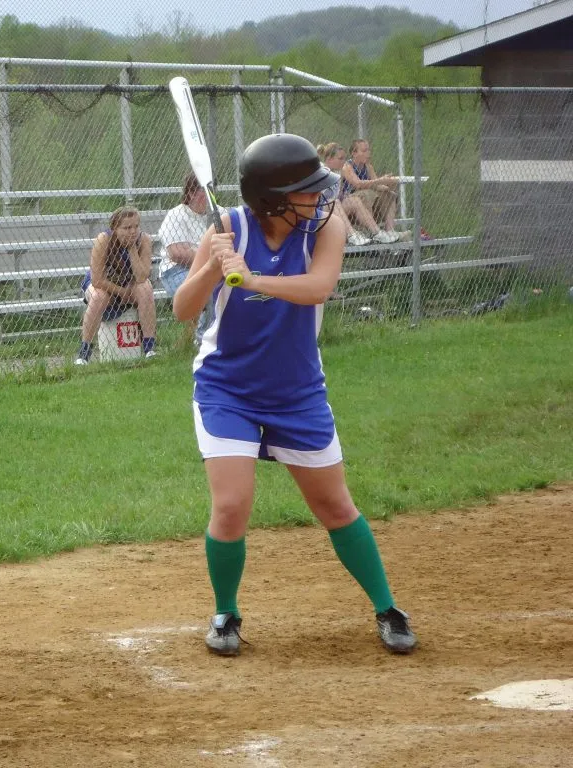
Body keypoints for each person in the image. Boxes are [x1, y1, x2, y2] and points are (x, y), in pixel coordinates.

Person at [172, 133, 417, 658]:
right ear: (274, 198)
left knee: (334, 504)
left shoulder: (327, 225)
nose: (321, 198)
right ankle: (226, 613)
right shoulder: (229, 229)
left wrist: (253, 279)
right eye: (308, 191)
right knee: (232, 505)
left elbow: (319, 286)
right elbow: (182, 309)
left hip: (296, 391)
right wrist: (214, 267)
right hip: (227, 387)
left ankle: (386, 605)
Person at [75, 205, 157, 364]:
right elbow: (97, 279)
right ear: (115, 228)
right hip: (104, 285)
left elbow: (141, 277)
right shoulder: (104, 239)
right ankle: (84, 354)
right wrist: (120, 292)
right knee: (99, 296)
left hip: (129, 284)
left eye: (136, 226)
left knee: (146, 288)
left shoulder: (144, 240)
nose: (133, 231)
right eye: (127, 228)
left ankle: (149, 348)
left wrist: (132, 249)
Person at [157, 172, 223, 345]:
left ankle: (224, 336)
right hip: (176, 271)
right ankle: (203, 340)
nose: (207, 194)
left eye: (210, 189)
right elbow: (177, 253)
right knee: (208, 288)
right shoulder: (177, 214)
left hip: (215, 268)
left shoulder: (220, 213)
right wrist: (211, 259)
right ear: (190, 193)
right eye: (201, 189)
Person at [316, 142, 396, 247]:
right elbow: (357, 184)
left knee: (354, 200)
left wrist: (387, 183)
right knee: (334, 202)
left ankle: (377, 233)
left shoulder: (338, 173)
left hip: (334, 209)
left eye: (344, 158)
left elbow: (340, 195)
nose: (343, 161)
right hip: (319, 211)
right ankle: (352, 235)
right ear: (329, 159)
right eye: (340, 159)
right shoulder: (320, 170)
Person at [339, 138, 400, 242]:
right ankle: (372, 231)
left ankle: (390, 231)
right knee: (367, 194)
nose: (368, 153)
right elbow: (357, 184)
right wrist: (379, 181)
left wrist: (387, 184)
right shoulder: (347, 166)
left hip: (366, 199)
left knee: (390, 194)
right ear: (354, 153)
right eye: (364, 151)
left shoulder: (368, 166)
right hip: (349, 201)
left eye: (368, 150)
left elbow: (377, 185)